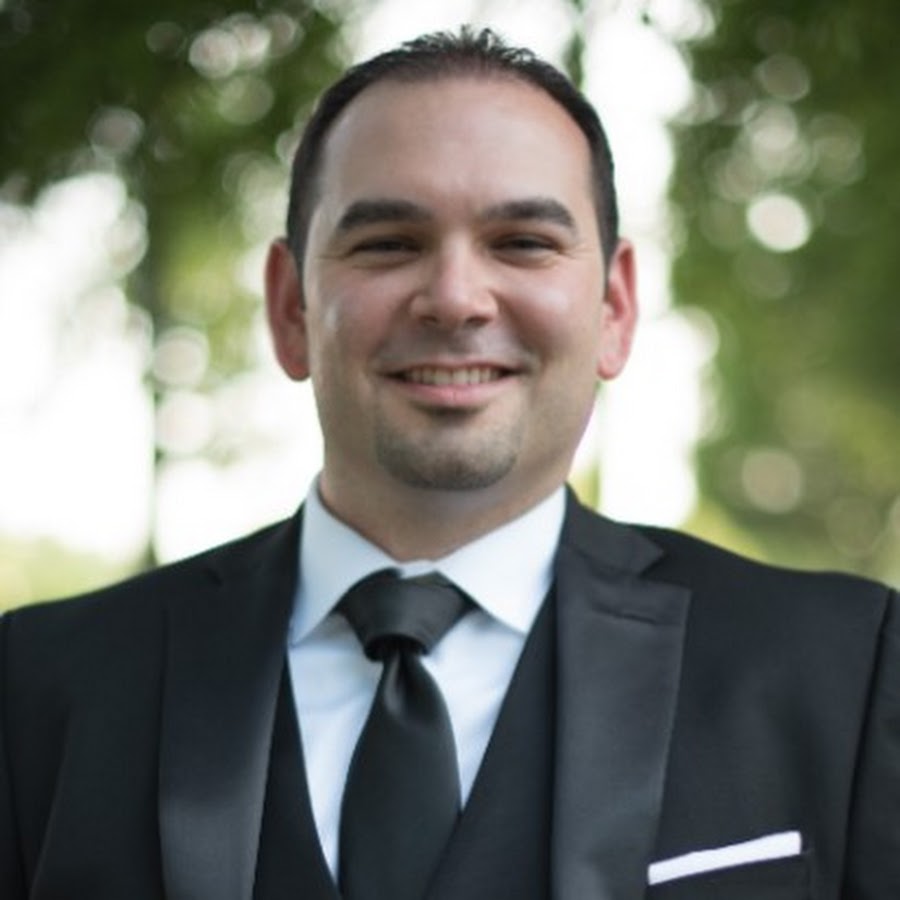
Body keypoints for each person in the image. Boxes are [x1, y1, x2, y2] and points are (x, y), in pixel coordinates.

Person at [1, 26, 898, 900]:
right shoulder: (39, 690)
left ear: (615, 308)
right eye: (389, 243)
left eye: (523, 243)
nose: (456, 300)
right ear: (290, 307)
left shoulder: (847, 673)